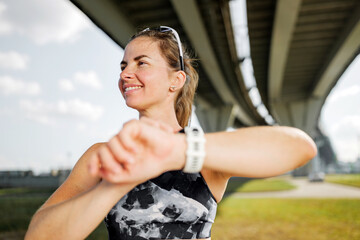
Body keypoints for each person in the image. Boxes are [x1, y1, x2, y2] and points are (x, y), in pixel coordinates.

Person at [25, 26, 317, 240]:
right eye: (124, 65)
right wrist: (114, 184)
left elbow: (300, 147)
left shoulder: (202, 155)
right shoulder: (103, 156)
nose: (125, 74)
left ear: (176, 80)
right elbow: (39, 236)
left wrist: (175, 151)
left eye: (142, 63)